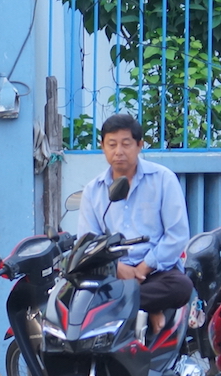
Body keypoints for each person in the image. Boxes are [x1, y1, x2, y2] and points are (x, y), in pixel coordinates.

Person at [80, 112, 192, 334]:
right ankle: (149, 307)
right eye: (111, 144)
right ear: (102, 146)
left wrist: (142, 268)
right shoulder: (93, 191)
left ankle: (125, 304)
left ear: (140, 145)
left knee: (182, 287)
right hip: (113, 272)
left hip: (155, 271)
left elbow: (177, 235)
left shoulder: (163, 179)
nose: (118, 151)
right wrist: (117, 267)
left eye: (126, 144)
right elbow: (88, 242)